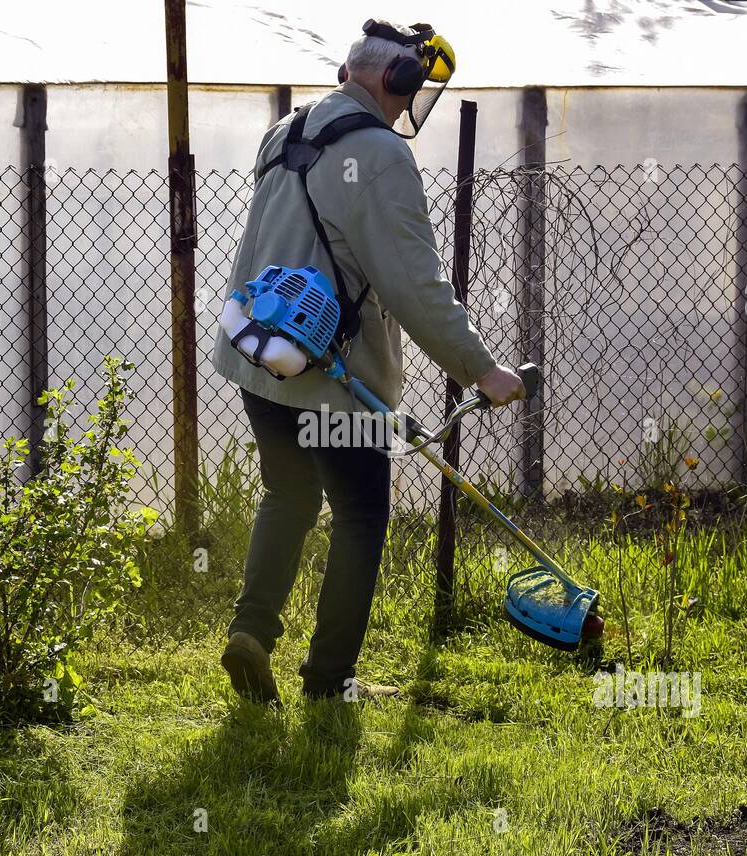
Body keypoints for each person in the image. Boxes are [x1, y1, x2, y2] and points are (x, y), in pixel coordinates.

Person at [211, 18, 525, 704]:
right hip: (334, 381)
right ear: (397, 79)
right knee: (360, 514)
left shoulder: (288, 131)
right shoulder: (381, 154)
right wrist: (481, 369)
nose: (416, 103)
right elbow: (413, 283)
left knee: (288, 494)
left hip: (260, 362)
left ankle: (251, 633)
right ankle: (329, 682)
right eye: (417, 87)